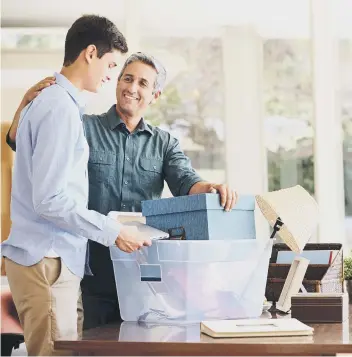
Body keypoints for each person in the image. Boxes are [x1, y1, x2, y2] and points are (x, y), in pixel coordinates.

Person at [6, 52, 237, 331]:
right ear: (117, 83)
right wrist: (25, 105)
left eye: (142, 83)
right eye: (127, 78)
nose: (132, 88)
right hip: (90, 274)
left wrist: (209, 188)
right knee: (87, 350)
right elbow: (28, 147)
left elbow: (186, 182)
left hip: (144, 277)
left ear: (155, 95)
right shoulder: (82, 126)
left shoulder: (165, 144)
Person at [2, 16, 152, 356]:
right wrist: (114, 231)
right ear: (90, 53)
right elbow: (49, 200)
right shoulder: (58, 107)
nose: (111, 74)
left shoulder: (53, 102)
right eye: (111, 64)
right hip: (47, 259)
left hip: (53, 261)